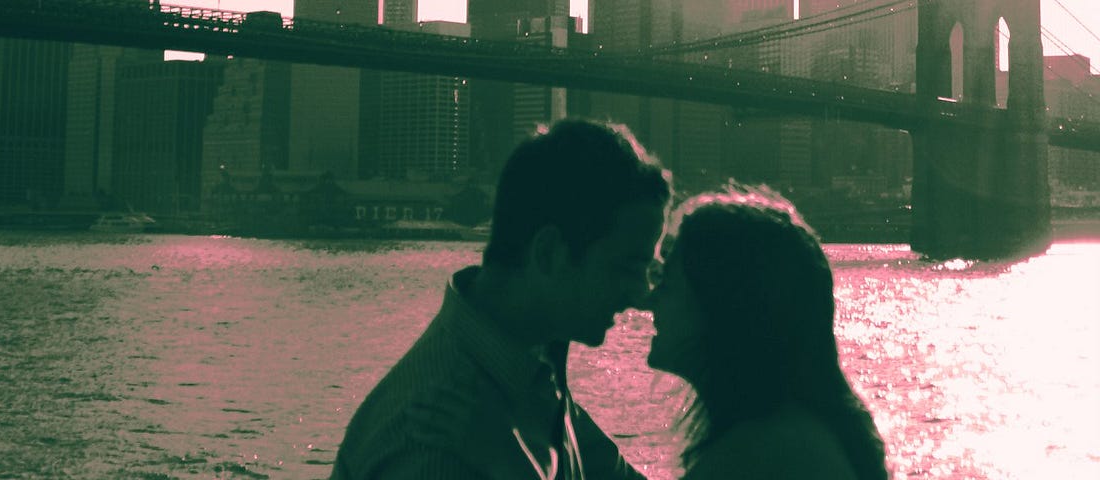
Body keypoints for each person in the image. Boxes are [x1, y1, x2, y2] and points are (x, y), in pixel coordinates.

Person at [331, 118, 670, 480]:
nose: (643, 295)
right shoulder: (434, 446)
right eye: (628, 268)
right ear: (549, 253)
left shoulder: (530, 369)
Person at [645, 184, 889, 479]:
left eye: (667, 284)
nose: (649, 300)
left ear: (722, 308)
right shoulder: (796, 436)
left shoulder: (758, 453)